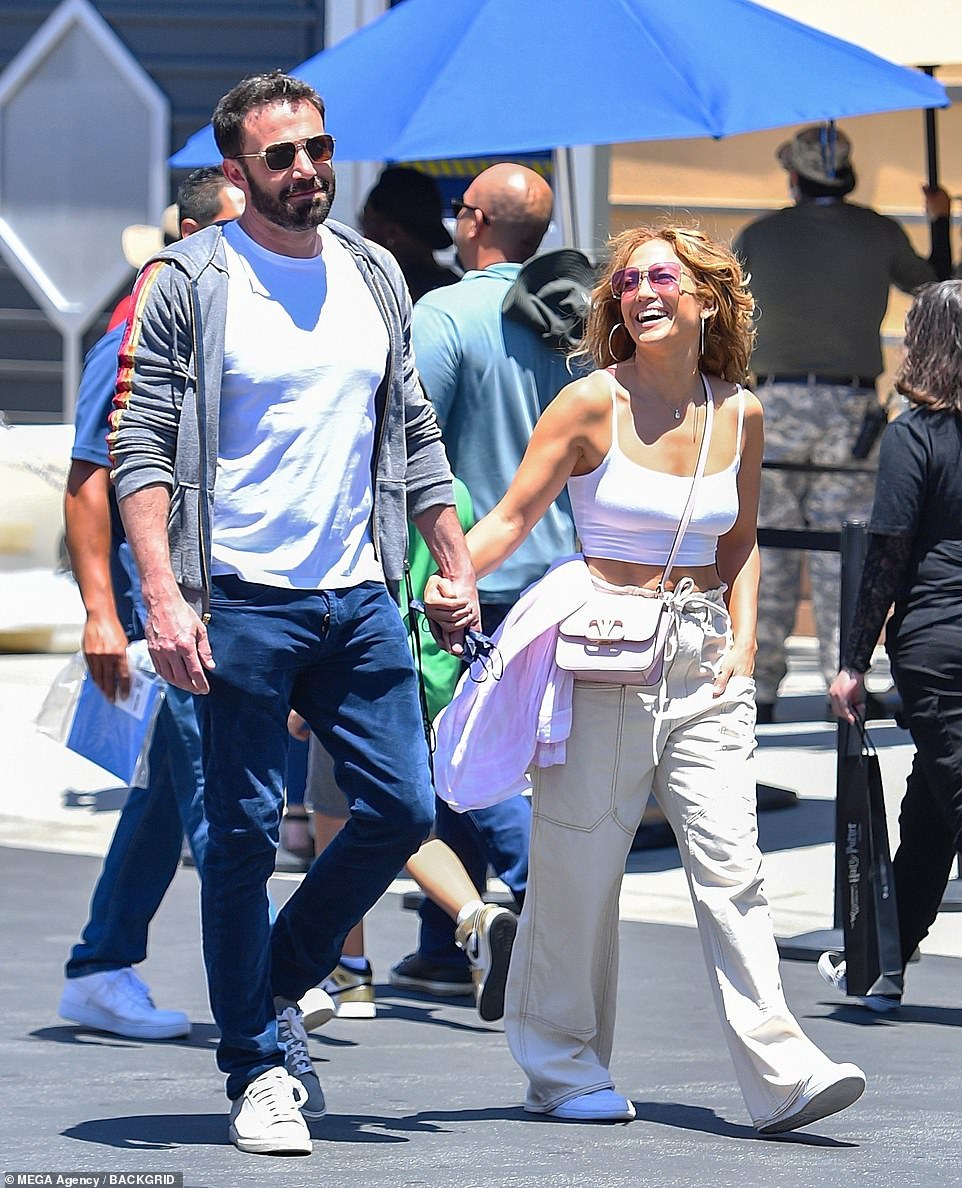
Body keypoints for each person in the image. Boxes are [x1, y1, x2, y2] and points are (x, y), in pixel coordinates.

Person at [108, 70, 478, 1157]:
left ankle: (266, 979)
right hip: (238, 602)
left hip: (359, 594)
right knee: (238, 837)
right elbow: (138, 449)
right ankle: (256, 1066)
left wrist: (446, 562)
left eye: (318, 149)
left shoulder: (372, 272)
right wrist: (160, 600)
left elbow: (410, 426)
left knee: (406, 808)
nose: (309, 171)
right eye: (283, 157)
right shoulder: (187, 279)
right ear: (236, 173)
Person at [426, 223, 866, 1133]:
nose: (641, 292)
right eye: (627, 282)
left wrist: (744, 649)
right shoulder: (591, 402)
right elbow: (512, 517)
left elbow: (739, 543)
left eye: (662, 277)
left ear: (706, 296)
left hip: (701, 660)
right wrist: (451, 573)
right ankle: (562, 1068)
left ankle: (782, 1073)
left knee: (734, 868)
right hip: (600, 652)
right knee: (578, 870)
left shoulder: (738, 410)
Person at [391, 163, 588, 998]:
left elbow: (401, 438)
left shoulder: (444, 313)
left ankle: (538, 905)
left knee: (457, 744)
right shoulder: (582, 320)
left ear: (472, 222)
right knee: (505, 753)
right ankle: (449, 935)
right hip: (570, 571)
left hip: (468, 569)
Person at [59, 167, 244, 1042]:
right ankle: (266, 988)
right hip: (163, 611)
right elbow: (89, 479)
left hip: (213, 597)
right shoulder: (135, 329)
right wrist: (103, 612)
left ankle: (100, 962)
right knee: (215, 800)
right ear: (200, 240)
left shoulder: (227, 322)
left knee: (173, 792)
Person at [734, 123, 951, 723]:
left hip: (770, 404)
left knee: (765, 545)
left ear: (795, 177)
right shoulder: (878, 230)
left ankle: (758, 685)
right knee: (842, 549)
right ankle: (845, 676)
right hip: (851, 408)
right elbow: (939, 294)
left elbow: (721, 307)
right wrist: (939, 221)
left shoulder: (759, 234)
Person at [824, 279, 962, 1012]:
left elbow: (888, 552)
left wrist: (853, 661)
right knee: (933, 807)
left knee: (954, 794)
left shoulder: (916, 433)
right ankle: (885, 959)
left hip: (940, 643)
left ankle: (883, 960)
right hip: (946, 641)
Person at [359, 165, 459, 302]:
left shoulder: (384, 292)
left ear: (392, 232)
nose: (362, 237)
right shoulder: (456, 287)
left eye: (364, 222)